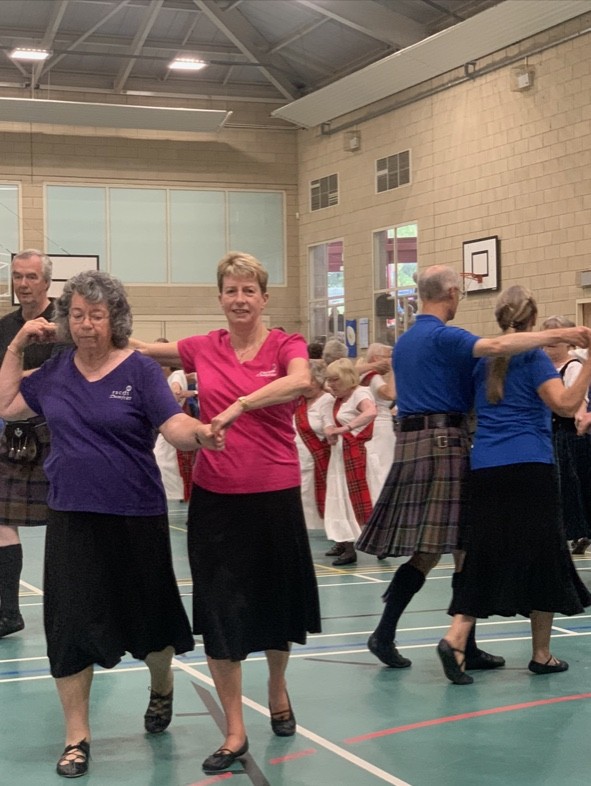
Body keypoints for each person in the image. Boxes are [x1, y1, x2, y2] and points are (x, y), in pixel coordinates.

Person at [0, 270, 222, 778]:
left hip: (136, 515)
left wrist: (202, 434)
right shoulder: (56, 371)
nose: (85, 325)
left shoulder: (140, 371)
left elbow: (174, 425)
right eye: (77, 315)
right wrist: (15, 346)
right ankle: (77, 737)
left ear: (114, 319)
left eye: (95, 315)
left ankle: (161, 684)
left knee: (153, 624)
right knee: (70, 626)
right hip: (72, 517)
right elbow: (7, 406)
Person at [132, 252, 321, 773]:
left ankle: (277, 687)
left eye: (248, 290)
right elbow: (142, 349)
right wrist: (80, 329)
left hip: (274, 494)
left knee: (276, 605)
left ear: (264, 298)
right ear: (220, 298)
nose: (240, 299)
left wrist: (238, 406)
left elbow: (300, 381)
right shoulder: (201, 347)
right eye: (231, 291)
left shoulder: (286, 344)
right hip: (215, 500)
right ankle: (235, 731)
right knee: (219, 611)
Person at [357, 264, 591, 672]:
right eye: (460, 293)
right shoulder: (448, 337)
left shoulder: (406, 341)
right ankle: (448, 640)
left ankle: (431, 637)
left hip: (421, 445)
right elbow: (504, 353)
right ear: (450, 293)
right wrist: (563, 336)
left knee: (457, 549)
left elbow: (396, 391)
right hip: (447, 444)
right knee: (468, 549)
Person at [437, 287, 591, 684]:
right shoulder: (535, 358)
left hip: (486, 466)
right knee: (544, 555)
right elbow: (565, 405)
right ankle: (541, 653)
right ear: (532, 319)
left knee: (482, 555)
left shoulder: (482, 361)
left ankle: (456, 638)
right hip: (530, 466)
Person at [0, 249, 62, 639]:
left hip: (60, 434)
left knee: (69, 522)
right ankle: (7, 613)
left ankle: (73, 607)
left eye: (31, 277)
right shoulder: (5, 325)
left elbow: (62, 372)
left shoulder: (64, 322)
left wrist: (16, 375)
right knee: (1, 521)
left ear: (47, 282)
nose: (23, 284)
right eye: (18, 276)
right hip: (15, 436)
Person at [541, 317, 591, 555]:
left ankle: (578, 530)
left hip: (569, 435)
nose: (551, 343)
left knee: (573, 484)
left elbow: (579, 399)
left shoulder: (573, 367)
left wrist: (580, 416)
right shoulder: (541, 369)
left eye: (557, 337)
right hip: (548, 435)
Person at [323, 358, 377, 565]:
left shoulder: (360, 394)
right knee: (338, 500)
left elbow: (371, 411)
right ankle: (344, 541)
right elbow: (328, 421)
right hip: (339, 455)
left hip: (357, 455)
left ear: (347, 377)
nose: (330, 384)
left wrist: (346, 428)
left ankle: (376, 542)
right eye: (329, 380)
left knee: (356, 499)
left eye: (335, 379)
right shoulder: (337, 399)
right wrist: (330, 430)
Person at [153, 337, 198, 503]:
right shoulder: (153, 377)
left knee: (164, 465)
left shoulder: (176, 375)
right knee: (159, 464)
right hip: (161, 431)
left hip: (174, 430)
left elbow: (176, 388)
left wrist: (179, 391)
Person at [294, 360, 333, 530]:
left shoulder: (327, 400)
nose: (307, 385)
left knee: (313, 502)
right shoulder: (297, 401)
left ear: (319, 380)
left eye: (312, 381)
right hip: (296, 461)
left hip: (318, 462)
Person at [359, 343, 397, 501]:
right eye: (389, 356)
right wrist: (395, 371)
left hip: (374, 425)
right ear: (376, 358)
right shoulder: (373, 377)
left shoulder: (364, 375)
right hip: (380, 427)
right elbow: (390, 394)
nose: (391, 359)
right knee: (383, 466)